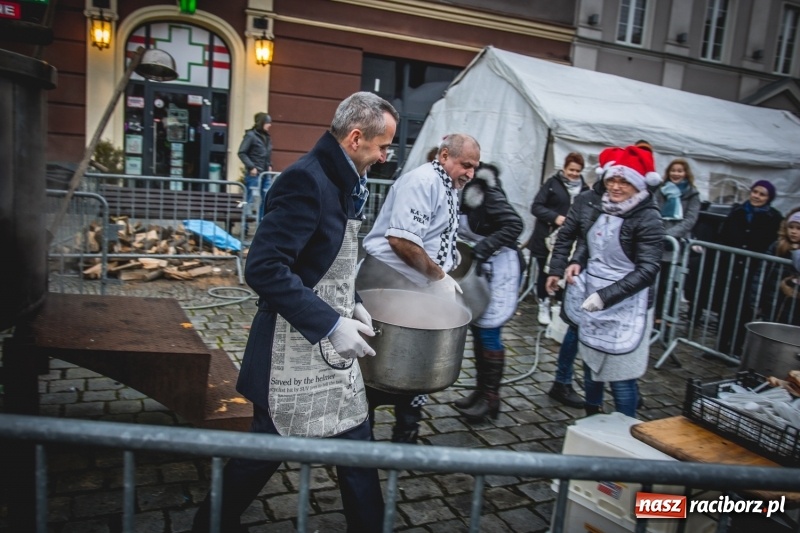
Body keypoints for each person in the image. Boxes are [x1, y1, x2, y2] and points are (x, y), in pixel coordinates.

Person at [192, 92, 398, 533]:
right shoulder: (306, 180)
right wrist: (330, 323)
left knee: (356, 443)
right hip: (290, 350)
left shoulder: (347, 181)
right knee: (265, 450)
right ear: (356, 138)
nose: (385, 157)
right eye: (383, 146)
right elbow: (264, 268)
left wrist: (353, 302)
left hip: (330, 351)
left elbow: (327, 259)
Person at [358, 133, 481, 443]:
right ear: (444, 156)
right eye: (466, 165)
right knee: (371, 366)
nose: (471, 174)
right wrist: (439, 278)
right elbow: (402, 241)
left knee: (418, 361)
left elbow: (432, 235)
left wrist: (446, 265)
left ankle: (406, 434)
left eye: (475, 168)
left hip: (417, 283)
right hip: (385, 279)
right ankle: (360, 446)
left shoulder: (448, 185)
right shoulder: (422, 181)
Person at [547, 145, 664, 417]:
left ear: (638, 184)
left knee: (621, 377)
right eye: (612, 180)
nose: (616, 186)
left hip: (626, 303)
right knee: (592, 366)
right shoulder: (601, 204)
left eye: (624, 181)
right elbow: (591, 241)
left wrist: (605, 296)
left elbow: (648, 269)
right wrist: (576, 261)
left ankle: (625, 429)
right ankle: (593, 418)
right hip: (594, 296)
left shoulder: (649, 217)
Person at [453, 163, 524, 421]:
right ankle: (480, 392)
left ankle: (491, 398)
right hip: (481, 266)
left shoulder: (488, 193)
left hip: (501, 266)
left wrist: (482, 250)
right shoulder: (456, 189)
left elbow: (515, 225)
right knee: (478, 328)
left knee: (489, 331)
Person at [715, 180, 783, 356]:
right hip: (732, 267)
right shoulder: (737, 211)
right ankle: (721, 345)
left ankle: (737, 346)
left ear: (769, 198)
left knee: (746, 309)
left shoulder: (774, 218)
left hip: (754, 270)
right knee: (726, 305)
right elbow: (723, 235)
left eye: (762, 194)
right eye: (755, 192)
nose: (757, 196)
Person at [528, 152, 589, 327]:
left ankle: (560, 307)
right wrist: (555, 217)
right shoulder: (552, 184)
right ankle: (544, 304)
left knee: (565, 273)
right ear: (564, 168)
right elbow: (536, 207)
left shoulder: (585, 189)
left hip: (568, 241)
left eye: (577, 171)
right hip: (546, 237)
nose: (574, 174)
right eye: (571, 170)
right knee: (545, 272)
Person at [652, 159, 701, 323]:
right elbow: (653, 211)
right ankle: (653, 314)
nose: (676, 173)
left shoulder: (692, 194)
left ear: (685, 173)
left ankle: (666, 316)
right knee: (654, 280)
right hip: (657, 239)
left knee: (669, 282)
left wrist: (670, 235)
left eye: (680, 171)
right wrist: (658, 232)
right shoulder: (661, 190)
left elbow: (690, 219)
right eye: (673, 170)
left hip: (676, 244)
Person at [762, 208, 800, 325]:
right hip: (773, 299)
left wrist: (796, 251)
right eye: (791, 227)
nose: (793, 232)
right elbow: (763, 271)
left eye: (798, 228)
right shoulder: (777, 246)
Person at [237, 112, 273, 232]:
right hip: (254, 175)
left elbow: (267, 154)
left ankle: (261, 226)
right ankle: (245, 228)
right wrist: (251, 167)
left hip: (265, 174)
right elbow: (242, 152)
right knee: (250, 199)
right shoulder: (251, 135)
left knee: (266, 199)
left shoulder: (267, 137)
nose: (270, 125)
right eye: (267, 122)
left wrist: (270, 165)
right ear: (261, 123)